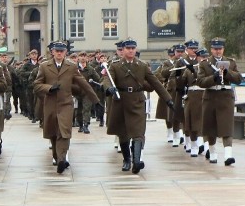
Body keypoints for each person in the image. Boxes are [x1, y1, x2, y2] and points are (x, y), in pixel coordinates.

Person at [102, 39, 173, 174]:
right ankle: (127, 160)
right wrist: (109, 89)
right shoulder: (115, 65)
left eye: (133, 48)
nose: (130, 50)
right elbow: (107, 79)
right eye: (128, 48)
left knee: (138, 133)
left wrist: (168, 99)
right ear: (123, 50)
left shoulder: (142, 65)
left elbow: (155, 82)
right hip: (121, 101)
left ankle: (137, 161)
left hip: (137, 101)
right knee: (123, 134)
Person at [34, 41, 99, 173]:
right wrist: (49, 88)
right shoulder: (44, 66)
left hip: (66, 104)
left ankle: (62, 159)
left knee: (64, 131)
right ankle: (57, 156)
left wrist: (96, 101)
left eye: (62, 51)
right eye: (57, 51)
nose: (59, 53)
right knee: (53, 133)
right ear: (52, 52)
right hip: (50, 104)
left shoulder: (71, 66)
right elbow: (36, 85)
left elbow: (83, 84)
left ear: (65, 53)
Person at [197, 38, 242, 164]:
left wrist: (227, 73)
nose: (218, 51)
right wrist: (213, 78)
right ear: (211, 49)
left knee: (226, 126)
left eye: (220, 49)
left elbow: (238, 79)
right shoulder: (205, 64)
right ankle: (212, 153)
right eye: (215, 49)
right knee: (210, 127)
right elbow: (200, 82)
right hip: (210, 96)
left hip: (226, 97)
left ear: (223, 49)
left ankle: (228, 156)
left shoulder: (231, 62)